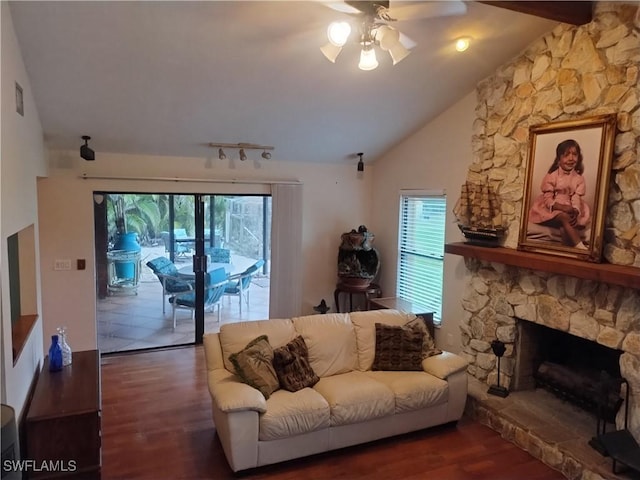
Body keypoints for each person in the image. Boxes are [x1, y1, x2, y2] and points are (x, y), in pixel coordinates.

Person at [528, 139, 590, 249]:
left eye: (575, 155)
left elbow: (576, 197)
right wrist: (561, 207)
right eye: (566, 155)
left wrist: (575, 210)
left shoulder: (579, 178)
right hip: (551, 209)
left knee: (565, 224)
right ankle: (581, 248)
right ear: (559, 158)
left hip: (570, 208)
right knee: (563, 216)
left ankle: (566, 251)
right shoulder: (551, 176)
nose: (571, 158)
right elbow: (548, 199)